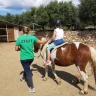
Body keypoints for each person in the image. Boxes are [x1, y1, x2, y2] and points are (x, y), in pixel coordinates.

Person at [15, 26, 47, 93]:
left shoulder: (19, 38)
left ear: (22, 31)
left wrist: (21, 49)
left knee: (27, 70)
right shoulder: (32, 37)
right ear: (28, 31)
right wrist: (48, 40)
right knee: (27, 68)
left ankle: (32, 88)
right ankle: (23, 77)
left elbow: (16, 49)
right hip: (31, 58)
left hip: (24, 58)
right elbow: (41, 42)